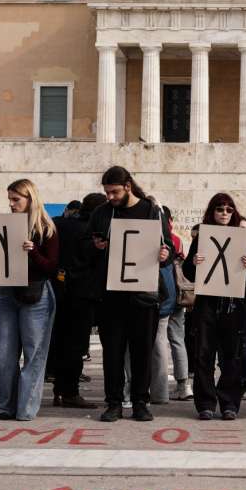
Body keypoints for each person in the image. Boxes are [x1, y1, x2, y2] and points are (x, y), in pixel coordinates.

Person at [86, 166, 171, 423]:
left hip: (143, 295)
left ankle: (140, 402)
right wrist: (95, 246)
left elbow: (167, 248)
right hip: (111, 296)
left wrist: (165, 255)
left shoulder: (151, 211)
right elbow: (84, 249)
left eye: (113, 192)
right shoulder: (101, 213)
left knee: (142, 352)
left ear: (128, 187)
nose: (110, 197)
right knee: (112, 353)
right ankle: (113, 402)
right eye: (106, 192)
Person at [0, 179, 59, 421]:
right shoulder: (5, 225)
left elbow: (51, 267)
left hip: (36, 293)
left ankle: (26, 409)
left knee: (34, 353)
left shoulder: (45, 228)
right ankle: (5, 407)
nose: (11, 204)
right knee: (2, 352)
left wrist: (33, 251)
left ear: (30, 199)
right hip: (7, 291)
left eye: (16, 199)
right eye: (9, 199)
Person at [184, 193, 246, 420]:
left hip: (233, 306)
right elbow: (188, 271)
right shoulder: (202, 237)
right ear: (212, 212)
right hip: (207, 304)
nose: (224, 213)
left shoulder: (242, 239)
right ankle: (205, 403)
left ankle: (229, 403)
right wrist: (194, 262)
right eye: (220, 209)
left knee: (231, 357)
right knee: (203, 355)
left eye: (228, 210)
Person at [49, 192, 105, 408]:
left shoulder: (60, 225)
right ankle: (70, 391)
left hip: (58, 290)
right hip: (83, 294)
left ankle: (58, 390)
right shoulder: (93, 233)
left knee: (60, 342)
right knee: (76, 346)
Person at [152, 208, 188, 404]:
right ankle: (183, 385)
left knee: (160, 341)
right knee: (177, 340)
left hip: (164, 293)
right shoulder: (176, 239)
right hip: (176, 294)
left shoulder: (164, 239)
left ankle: (160, 389)